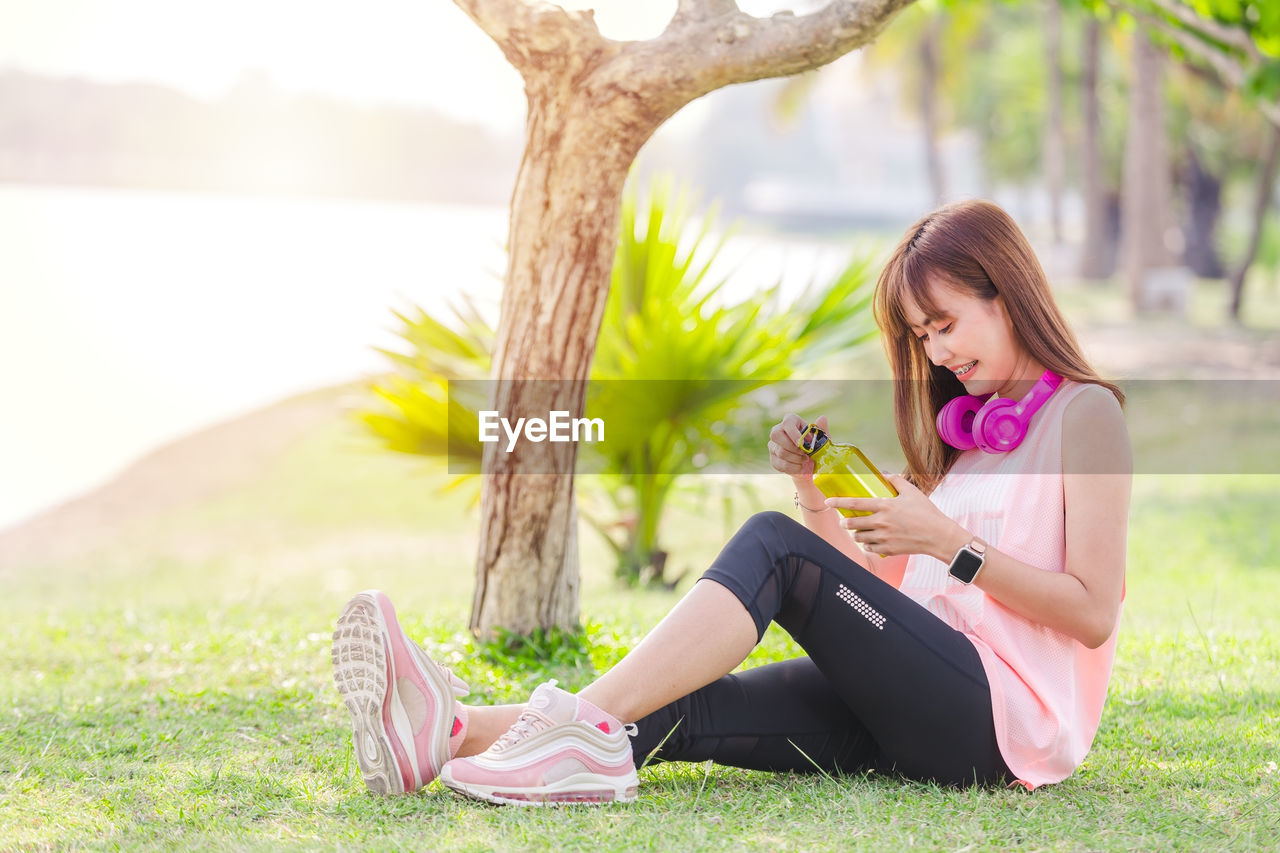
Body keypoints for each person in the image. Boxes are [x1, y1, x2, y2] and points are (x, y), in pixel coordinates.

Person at [330, 199, 1132, 804]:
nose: (941, 353)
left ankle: (573, 731)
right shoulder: (959, 438)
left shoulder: (1084, 415)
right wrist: (817, 495)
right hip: (915, 695)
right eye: (923, 337)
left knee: (773, 547)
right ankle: (444, 731)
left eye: (947, 323)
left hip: (994, 726)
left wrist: (947, 539)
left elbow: (1093, 612)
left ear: (1008, 292)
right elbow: (876, 596)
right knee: (689, 706)